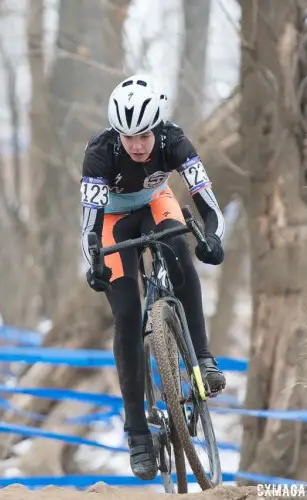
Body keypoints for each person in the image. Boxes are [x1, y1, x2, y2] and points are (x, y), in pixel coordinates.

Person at [79, 74, 227, 481]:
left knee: (180, 248)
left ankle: (201, 356)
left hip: (156, 203)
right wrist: (94, 262)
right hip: (112, 222)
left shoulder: (174, 141)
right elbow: (89, 226)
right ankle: (137, 433)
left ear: (157, 128)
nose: (137, 145)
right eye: (128, 138)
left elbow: (208, 204)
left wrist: (213, 237)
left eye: (143, 135)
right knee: (126, 315)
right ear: (116, 134)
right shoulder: (99, 152)